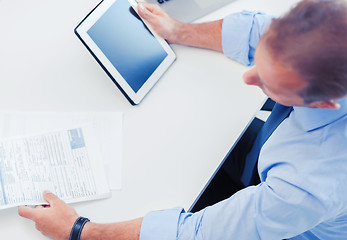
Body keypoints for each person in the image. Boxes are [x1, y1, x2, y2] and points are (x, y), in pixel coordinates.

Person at [18, 0, 347, 239]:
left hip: (292, 227)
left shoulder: (307, 185)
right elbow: (258, 31)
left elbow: (198, 233)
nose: (249, 78)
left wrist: (78, 231)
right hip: (274, 156)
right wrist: (177, 30)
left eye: (269, 84)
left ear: (325, 103)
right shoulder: (330, 33)